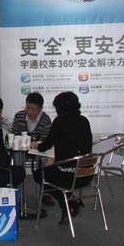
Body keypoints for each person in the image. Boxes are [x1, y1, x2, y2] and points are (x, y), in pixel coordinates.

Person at [34, 91, 93, 224]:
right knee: (52, 172)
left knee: (39, 174)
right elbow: (87, 148)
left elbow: (45, 146)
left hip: (65, 176)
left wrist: (35, 145)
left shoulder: (59, 122)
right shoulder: (84, 121)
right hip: (85, 174)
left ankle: (66, 201)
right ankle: (70, 199)